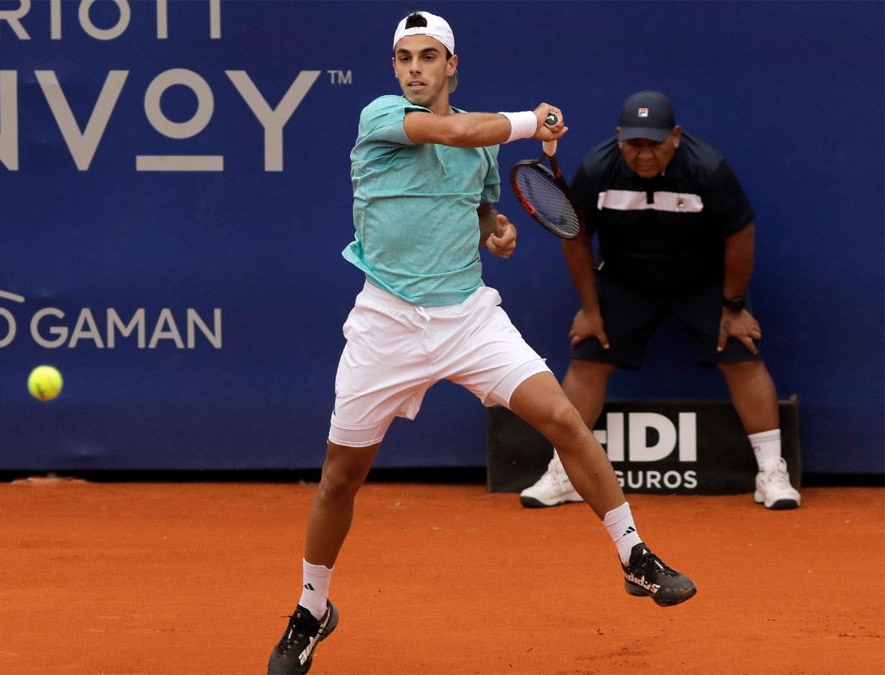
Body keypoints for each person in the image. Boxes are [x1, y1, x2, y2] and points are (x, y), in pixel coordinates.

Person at [267, 13, 697, 675]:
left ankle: (635, 554)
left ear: (451, 66)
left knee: (563, 418)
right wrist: (534, 120)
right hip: (386, 321)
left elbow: (479, 206)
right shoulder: (382, 115)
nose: (414, 68)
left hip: (468, 317)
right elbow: (456, 129)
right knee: (339, 478)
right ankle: (311, 606)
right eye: (405, 57)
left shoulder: (481, 146)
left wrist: (493, 230)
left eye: (428, 57)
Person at [518, 90, 801, 511]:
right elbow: (576, 238)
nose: (643, 154)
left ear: (676, 136)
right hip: (624, 281)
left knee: (742, 354)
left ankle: (771, 474)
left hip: (701, 282)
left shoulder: (708, 168)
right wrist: (592, 310)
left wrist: (734, 307)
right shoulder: (598, 169)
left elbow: (740, 236)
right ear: (618, 138)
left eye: (654, 143)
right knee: (588, 358)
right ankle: (565, 472)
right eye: (634, 143)